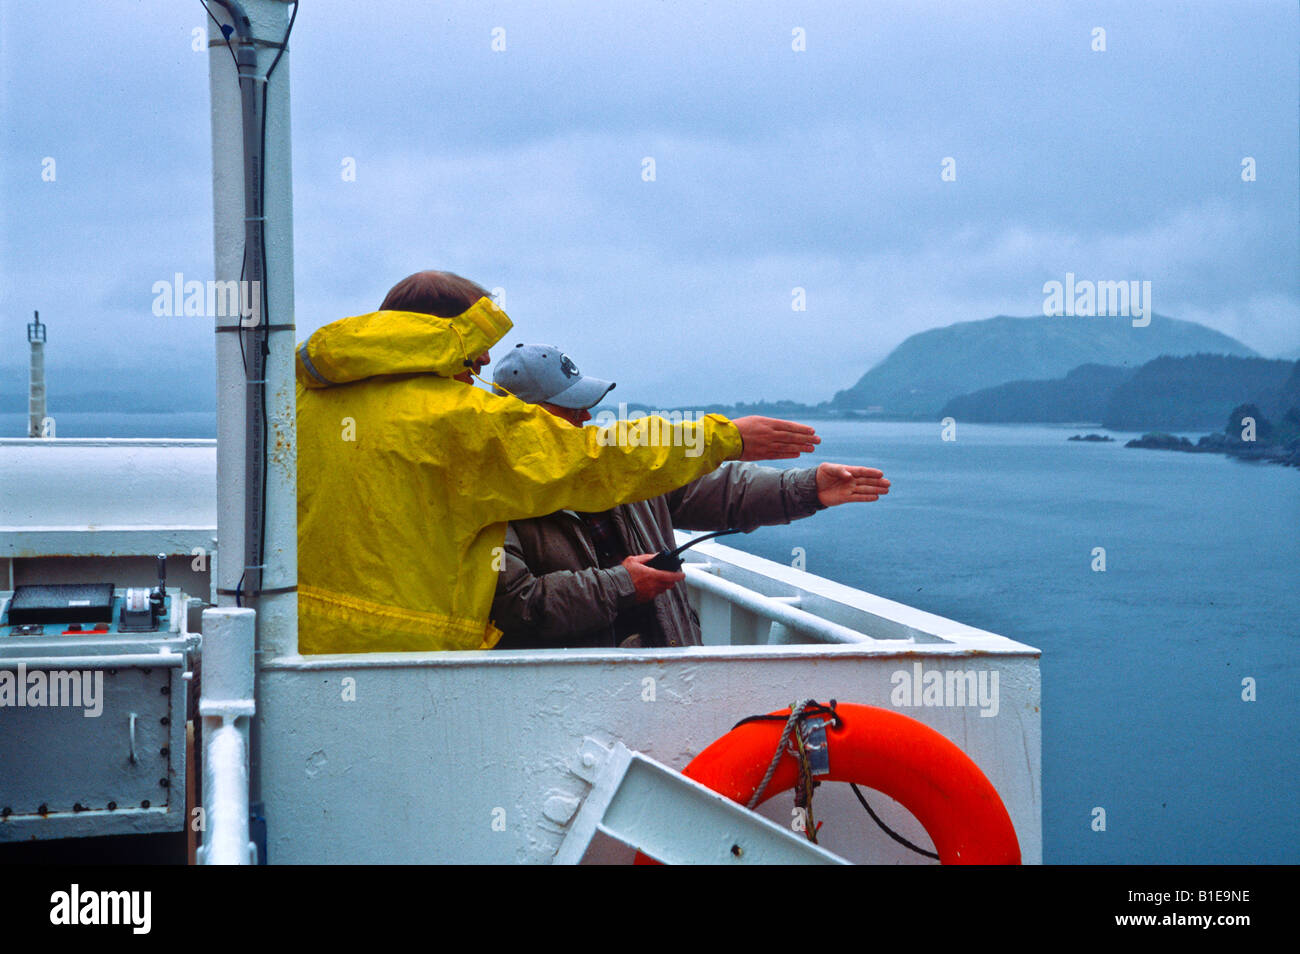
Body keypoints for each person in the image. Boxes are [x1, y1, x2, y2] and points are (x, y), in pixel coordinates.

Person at [295, 270, 822, 654]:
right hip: (420, 661)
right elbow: (592, 464)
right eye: (472, 357)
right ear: (439, 340)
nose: (477, 369)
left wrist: (809, 488)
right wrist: (721, 436)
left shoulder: (299, 404)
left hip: (308, 650)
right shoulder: (465, 427)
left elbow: (701, 492)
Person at [488, 344, 891, 649]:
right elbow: (518, 606)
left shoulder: (625, 470)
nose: (587, 418)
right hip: (574, 696)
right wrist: (622, 585)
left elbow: (725, 491)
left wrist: (809, 488)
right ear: (525, 415)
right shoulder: (492, 496)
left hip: (675, 676)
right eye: (571, 407)